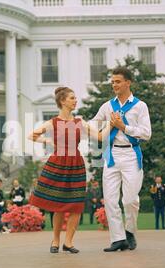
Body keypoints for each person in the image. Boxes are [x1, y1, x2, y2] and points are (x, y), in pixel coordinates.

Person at [29, 86, 111, 253]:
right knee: (59, 205)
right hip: (57, 164)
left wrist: (111, 123)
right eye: (72, 98)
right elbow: (32, 135)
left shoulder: (80, 123)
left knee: (75, 205)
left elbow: (101, 137)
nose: (75, 101)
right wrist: (47, 141)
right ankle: (55, 240)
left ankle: (68, 242)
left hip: (76, 165)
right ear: (62, 101)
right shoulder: (53, 122)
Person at [92, 67, 152, 251]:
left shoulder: (140, 106)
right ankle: (118, 239)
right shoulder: (108, 106)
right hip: (111, 156)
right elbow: (93, 123)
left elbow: (146, 133)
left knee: (130, 199)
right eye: (112, 82)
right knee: (110, 199)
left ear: (128, 82)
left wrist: (123, 127)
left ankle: (130, 231)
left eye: (118, 81)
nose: (114, 85)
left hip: (131, 155)